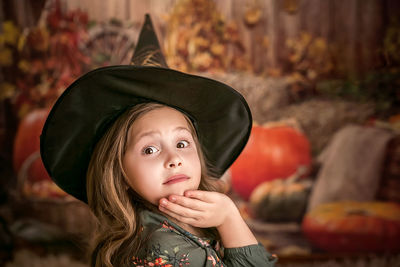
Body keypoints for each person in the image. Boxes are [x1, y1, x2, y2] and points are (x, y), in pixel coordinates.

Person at [40, 14, 277, 267]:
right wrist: (230, 218)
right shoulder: (162, 247)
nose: (174, 159)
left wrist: (227, 219)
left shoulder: (169, 228)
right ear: (120, 173)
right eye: (150, 149)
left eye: (182, 144)